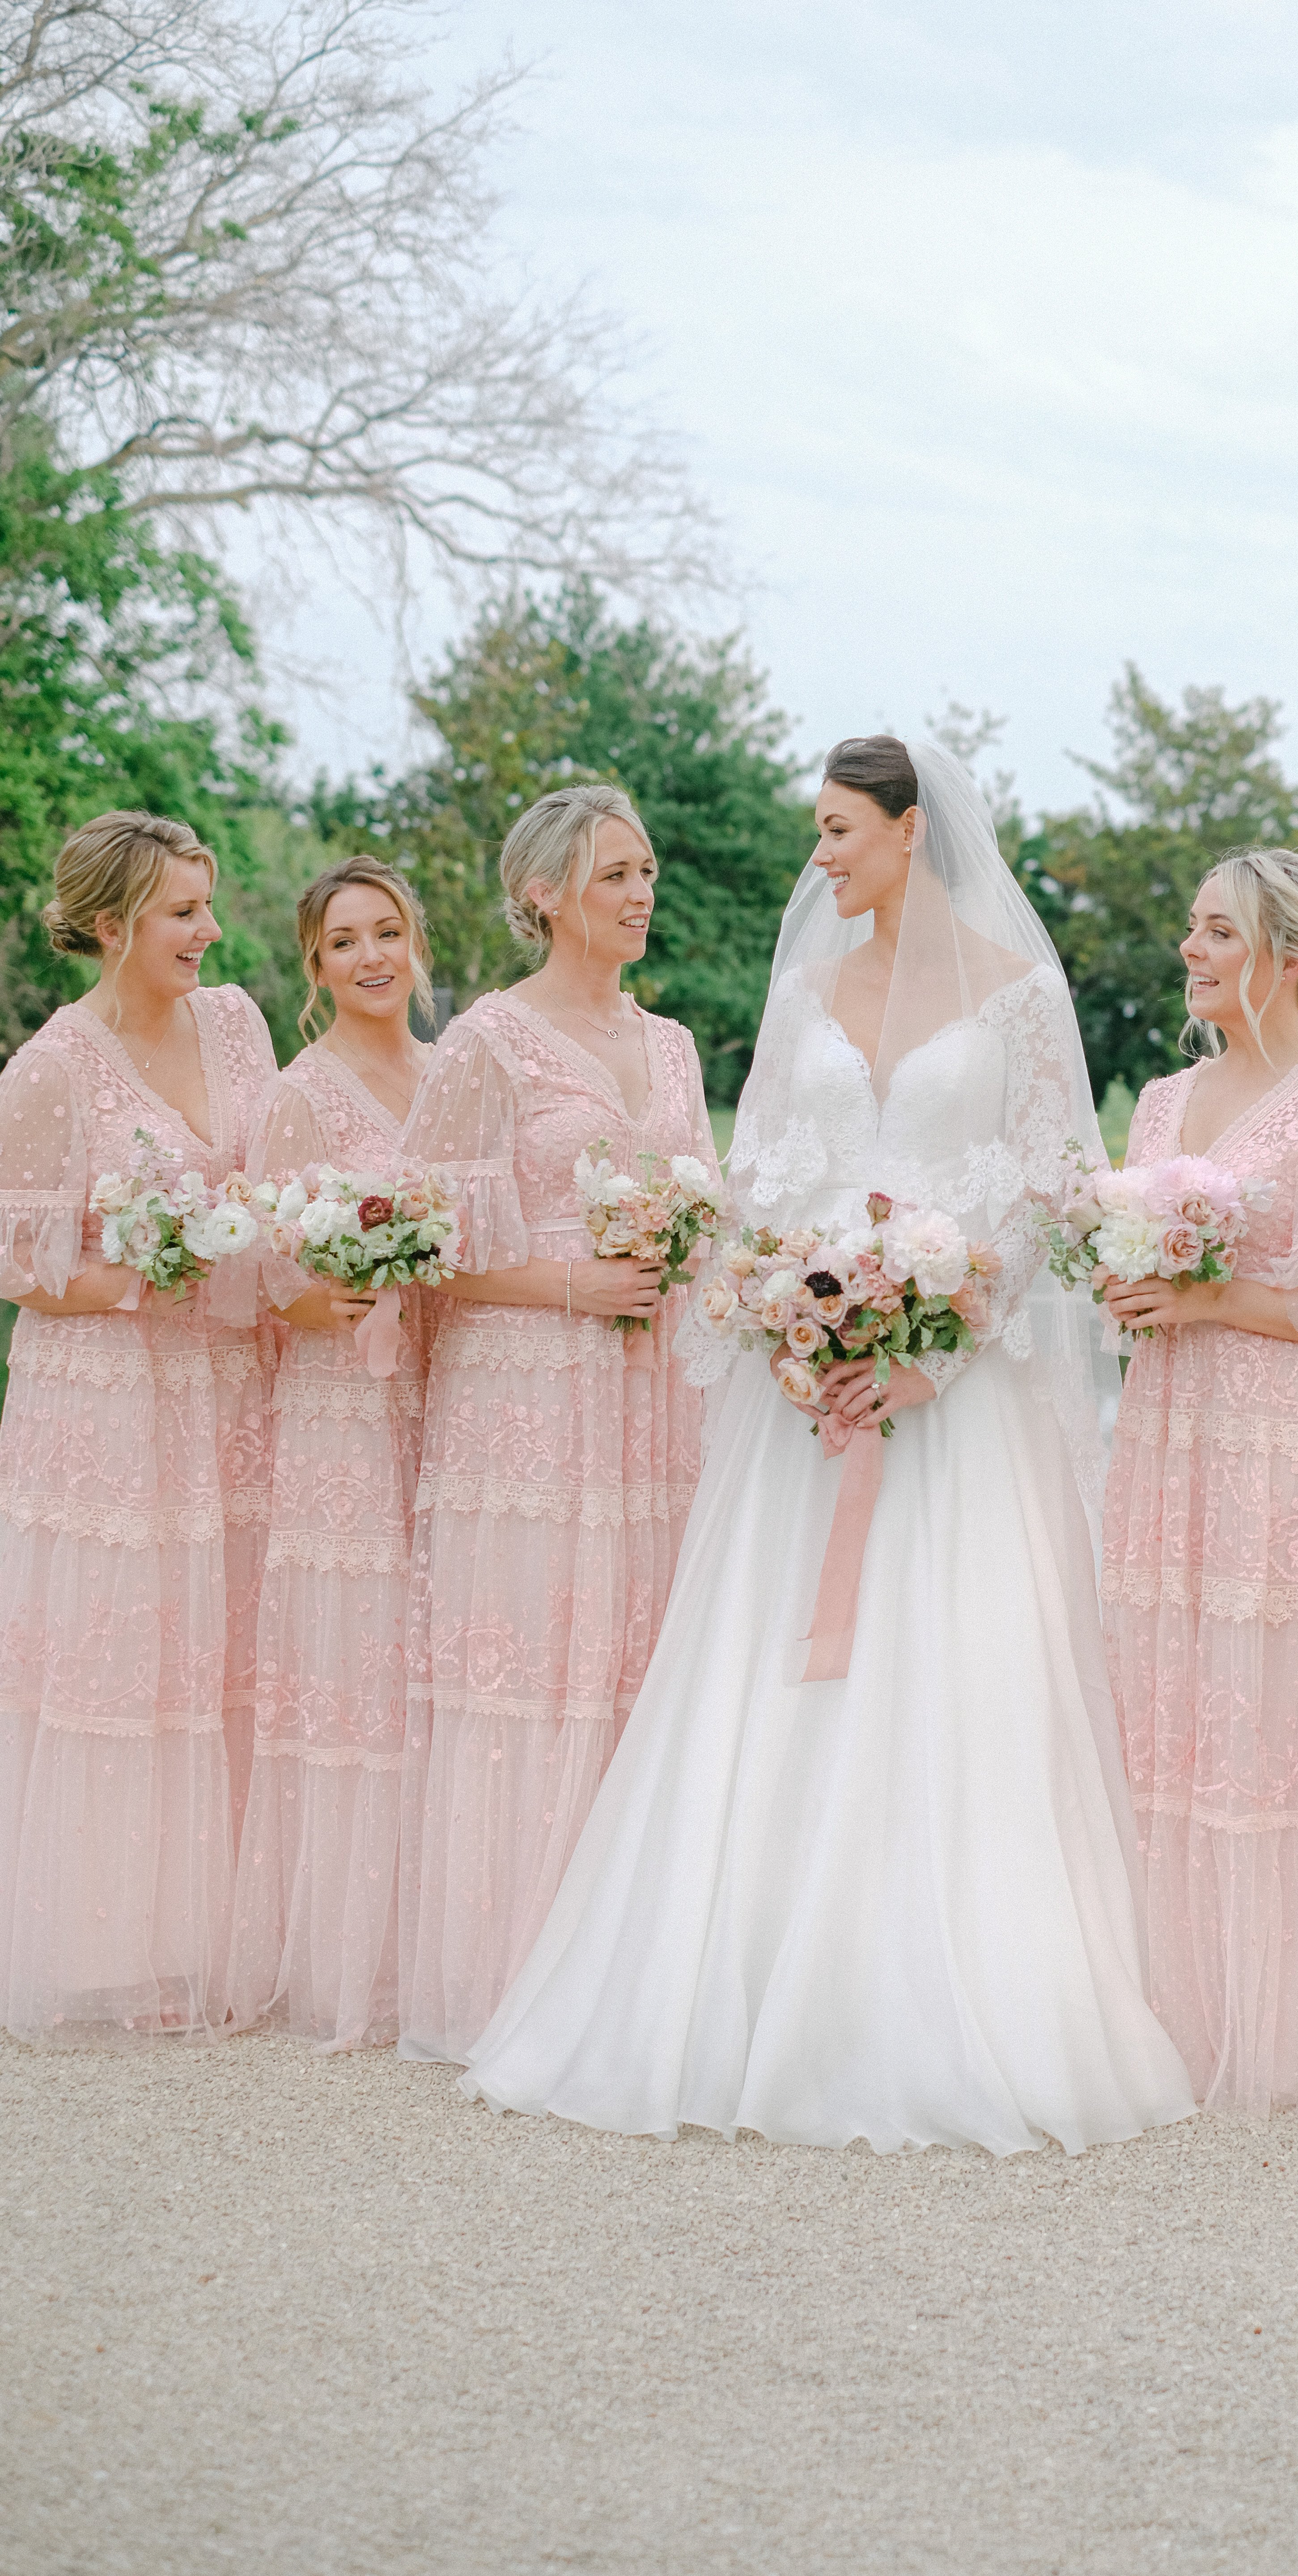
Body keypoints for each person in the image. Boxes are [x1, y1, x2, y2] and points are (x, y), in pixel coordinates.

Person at [458, 737, 1195, 2152]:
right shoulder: (804, 995)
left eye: (841, 830)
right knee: (760, 1677)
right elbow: (760, 1179)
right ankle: (733, 1990)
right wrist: (792, 1327)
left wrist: (940, 1346)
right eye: (818, 832)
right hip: (805, 1395)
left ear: (915, 832)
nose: (821, 856)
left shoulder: (1020, 995)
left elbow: (1051, 1192)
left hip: (953, 1404)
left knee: (952, 1678)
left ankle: (937, 1994)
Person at [396, 783, 718, 2063]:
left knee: (641, 1658)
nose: (640, 895)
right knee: (532, 1667)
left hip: (654, 1399)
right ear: (542, 896)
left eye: (646, 871)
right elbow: (426, 1248)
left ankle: (630, 1978)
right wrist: (573, 1280)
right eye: (612, 877)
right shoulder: (485, 1044)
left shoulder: (680, 1046)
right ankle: (510, 1975)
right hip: (526, 1393)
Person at [1099, 849, 1298, 2114]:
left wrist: (1216, 1290)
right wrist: (1123, 1286)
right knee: (1162, 1692)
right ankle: (1156, 2001)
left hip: (1280, 1435)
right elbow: (1128, 1264)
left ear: (1286, 952)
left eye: (1217, 931)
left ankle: (1271, 2018)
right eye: (1192, 929)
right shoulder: (1162, 1102)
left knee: (1267, 1707)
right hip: (1168, 1426)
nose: (1191, 949)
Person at [0, 812, 277, 2042]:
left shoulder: (237, 1023)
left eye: (208, 907)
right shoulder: (53, 1067)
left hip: (227, 1380)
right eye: (181, 912)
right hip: (110, 1391)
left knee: (218, 1630)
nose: (209, 933)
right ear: (110, 924)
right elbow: (18, 1252)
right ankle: (104, 1941)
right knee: (121, 1641)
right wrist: (134, 1278)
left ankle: (211, 1932)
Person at [228, 859, 437, 2049]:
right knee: (357, 1648)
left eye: (388, 932)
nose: (371, 957)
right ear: (314, 965)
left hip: (440, 1383)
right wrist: (323, 1301)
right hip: (340, 1398)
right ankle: (347, 1952)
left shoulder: (453, 1073)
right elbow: (256, 1262)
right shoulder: (301, 1095)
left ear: (415, 942)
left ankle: (430, 1932)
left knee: (428, 1636)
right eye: (345, 941)